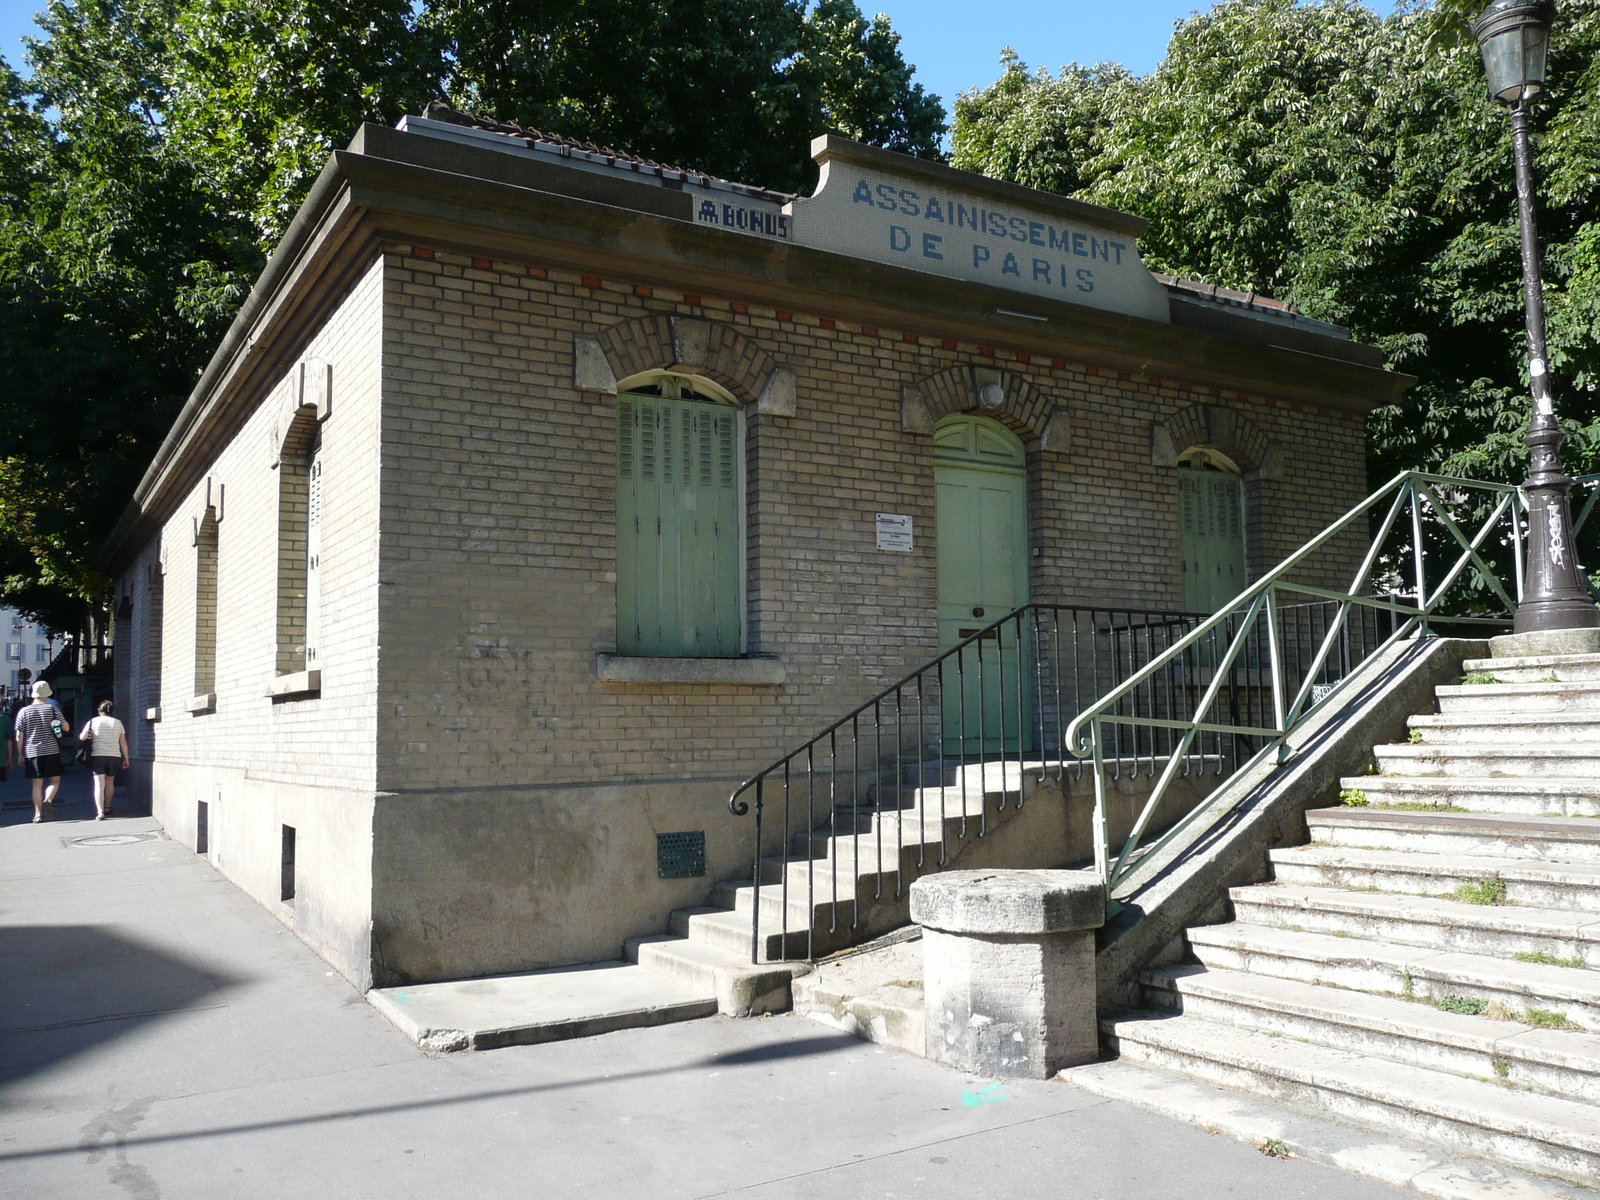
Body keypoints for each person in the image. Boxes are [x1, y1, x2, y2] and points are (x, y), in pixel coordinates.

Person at [13, 680, 67, 822]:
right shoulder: (52, 709)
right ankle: (47, 801)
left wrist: (20, 754)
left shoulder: (24, 712)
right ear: (46, 694)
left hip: (32, 751)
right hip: (52, 750)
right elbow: (66, 727)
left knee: (37, 784)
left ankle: (37, 814)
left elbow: (19, 735)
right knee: (54, 781)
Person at [79, 701, 129, 820]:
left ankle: (100, 811)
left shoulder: (93, 721)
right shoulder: (118, 723)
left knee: (99, 784)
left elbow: (82, 737)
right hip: (114, 756)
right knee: (110, 782)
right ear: (112, 711)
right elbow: (123, 742)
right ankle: (108, 806)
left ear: (99, 710)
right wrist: (126, 758)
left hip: (98, 755)